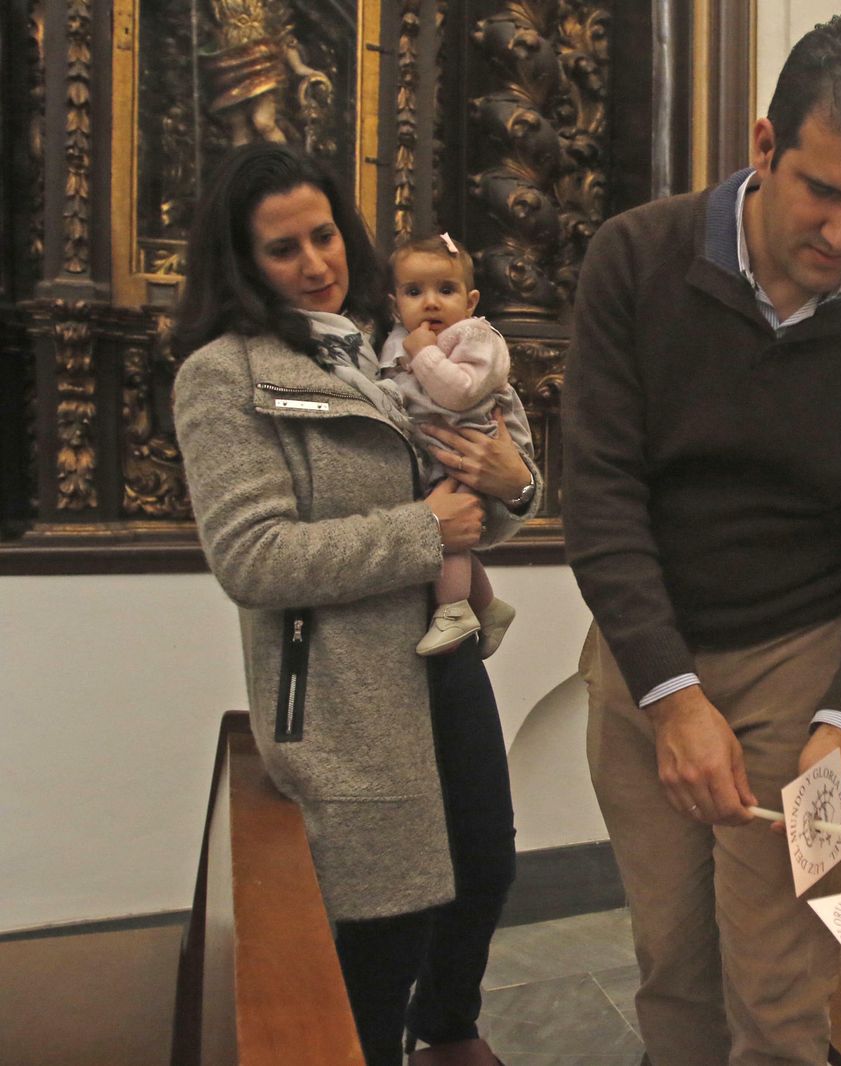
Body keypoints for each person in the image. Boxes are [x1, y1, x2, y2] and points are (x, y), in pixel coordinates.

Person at [562, 12, 841, 1064]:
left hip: (803, 662)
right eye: (821, 191)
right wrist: (670, 694)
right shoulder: (636, 260)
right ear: (762, 147)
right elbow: (600, 494)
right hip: (646, 658)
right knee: (674, 970)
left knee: (780, 993)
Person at [171, 143, 541, 1066]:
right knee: (386, 931)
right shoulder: (225, 373)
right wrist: (424, 531)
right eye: (284, 248)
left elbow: (472, 508)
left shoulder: (389, 349)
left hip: (443, 659)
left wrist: (518, 485)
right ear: (244, 263)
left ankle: (445, 1035)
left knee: (485, 867)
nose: (316, 263)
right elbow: (251, 557)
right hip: (346, 697)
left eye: (326, 235)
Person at [378, 233, 530, 657]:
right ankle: (487, 605)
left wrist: (425, 354)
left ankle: (454, 610)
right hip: (431, 450)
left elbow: (460, 393)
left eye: (445, 290)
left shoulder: (478, 338)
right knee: (445, 526)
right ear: (395, 304)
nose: (430, 302)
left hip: (472, 443)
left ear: (470, 301)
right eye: (414, 292)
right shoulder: (394, 341)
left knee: (451, 535)